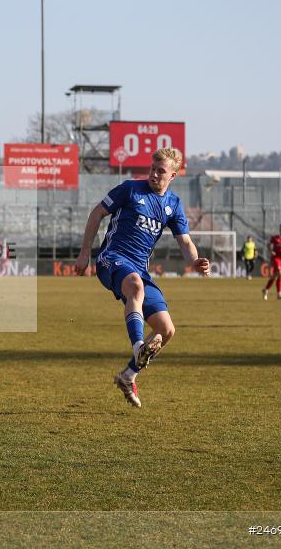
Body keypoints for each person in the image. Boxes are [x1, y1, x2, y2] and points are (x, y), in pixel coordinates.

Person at [74, 148, 210, 408]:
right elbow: (96, 213)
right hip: (111, 259)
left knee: (166, 330)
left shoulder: (173, 205)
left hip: (139, 268)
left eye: (161, 171)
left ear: (173, 175)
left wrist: (195, 261)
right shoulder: (130, 189)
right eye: (152, 168)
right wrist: (84, 254)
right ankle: (138, 346)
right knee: (135, 286)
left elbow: (185, 242)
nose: (154, 174)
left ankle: (128, 376)